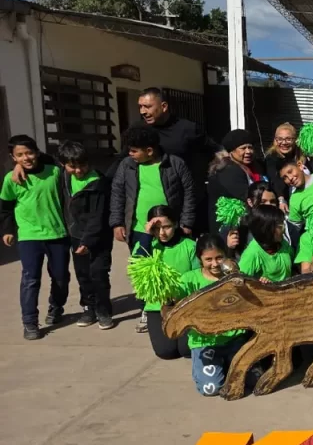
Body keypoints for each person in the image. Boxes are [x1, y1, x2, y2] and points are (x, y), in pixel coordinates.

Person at [111, 126, 195, 333]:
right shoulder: (127, 166)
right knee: (145, 272)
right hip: (140, 229)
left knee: (172, 269)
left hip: (171, 228)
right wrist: (117, 222)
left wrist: (186, 223)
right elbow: (117, 193)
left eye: (134, 150)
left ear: (149, 150)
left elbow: (189, 194)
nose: (129, 154)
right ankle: (147, 310)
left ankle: (177, 308)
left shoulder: (174, 164)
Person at [1, 135, 70, 340]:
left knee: (61, 277)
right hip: (29, 236)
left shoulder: (54, 171)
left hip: (57, 233)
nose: (26, 158)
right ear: (13, 158)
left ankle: (56, 307)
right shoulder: (11, 179)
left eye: (29, 153)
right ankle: (30, 321)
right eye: (19, 155)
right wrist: (7, 230)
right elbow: (5, 207)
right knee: (30, 279)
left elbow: (56, 160)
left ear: (38, 152)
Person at [131, 88, 220, 229]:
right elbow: (123, 161)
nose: (142, 111)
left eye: (147, 106)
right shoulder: (138, 131)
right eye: (140, 107)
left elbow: (216, 151)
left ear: (164, 106)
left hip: (186, 203)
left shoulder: (188, 129)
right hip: (151, 204)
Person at [179, 234, 247, 397]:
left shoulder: (234, 276)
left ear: (226, 255)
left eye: (219, 258)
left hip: (234, 339)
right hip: (205, 342)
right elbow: (175, 305)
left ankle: (226, 363)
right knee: (212, 389)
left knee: (253, 380)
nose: (215, 264)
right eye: (208, 259)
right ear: (199, 259)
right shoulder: (188, 280)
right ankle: (207, 367)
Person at [57, 141, 114, 330]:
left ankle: (104, 310)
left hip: (98, 237)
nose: (79, 170)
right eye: (73, 166)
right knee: (83, 275)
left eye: (82, 165)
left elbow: (97, 217)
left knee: (98, 273)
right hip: (76, 234)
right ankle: (88, 308)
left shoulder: (98, 182)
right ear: (64, 164)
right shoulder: (63, 177)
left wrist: (88, 241)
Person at [139, 205, 197, 360]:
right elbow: (136, 265)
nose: (162, 233)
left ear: (176, 224)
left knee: (186, 350)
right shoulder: (147, 246)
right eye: (157, 228)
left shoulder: (190, 246)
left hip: (185, 304)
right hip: (157, 306)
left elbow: (198, 277)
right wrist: (146, 235)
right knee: (166, 352)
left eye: (167, 227)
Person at [206, 129, 268, 232]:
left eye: (250, 147)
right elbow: (247, 195)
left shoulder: (255, 166)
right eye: (243, 148)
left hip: (249, 221)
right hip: (230, 227)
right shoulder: (228, 170)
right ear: (232, 151)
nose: (248, 151)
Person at [238, 204, 293, 283]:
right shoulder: (252, 254)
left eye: (283, 223)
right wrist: (261, 286)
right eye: (280, 225)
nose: (284, 228)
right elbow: (240, 284)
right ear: (266, 229)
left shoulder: (282, 243)